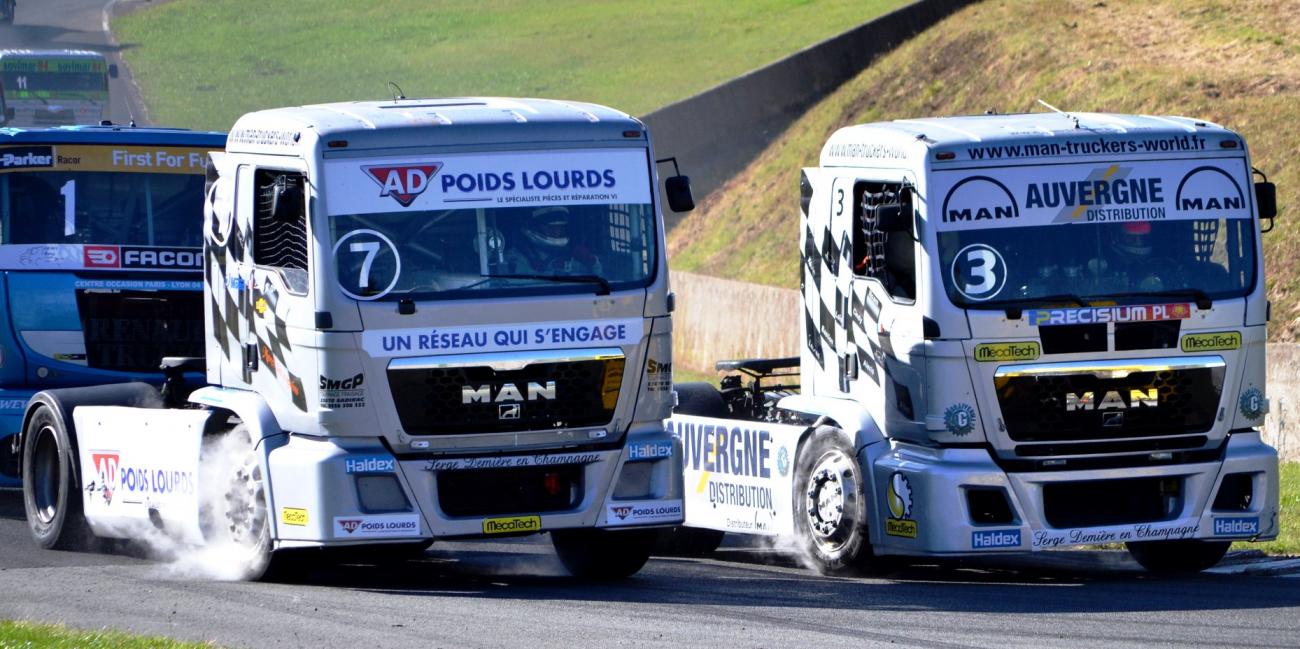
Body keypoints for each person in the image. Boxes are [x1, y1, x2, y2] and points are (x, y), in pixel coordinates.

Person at [513, 206, 602, 275]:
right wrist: (556, 270)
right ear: (533, 227)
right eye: (550, 227)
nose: (556, 232)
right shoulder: (516, 257)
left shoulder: (573, 254)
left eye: (560, 227)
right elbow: (520, 286)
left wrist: (591, 261)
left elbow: (600, 279)